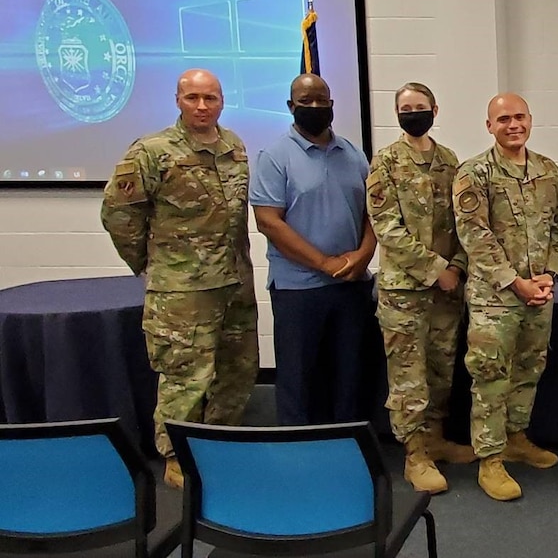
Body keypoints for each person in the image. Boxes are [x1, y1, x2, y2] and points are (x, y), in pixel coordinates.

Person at [101, 69, 258, 489]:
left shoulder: (234, 147)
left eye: (210, 98)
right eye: (193, 98)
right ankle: (176, 457)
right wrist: (152, 265)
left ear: (222, 100)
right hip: (182, 293)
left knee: (237, 371)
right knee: (185, 377)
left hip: (234, 284)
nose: (202, 106)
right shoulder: (151, 152)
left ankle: (221, 444)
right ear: (177, 100)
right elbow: (118, 214)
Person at [453, 93, 558, 501]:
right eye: (503, 119)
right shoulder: (474, 173)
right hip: (494, 299)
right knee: (490, 377)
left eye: (519, 117)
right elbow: (475, 237)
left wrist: (550, 275)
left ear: (530, 120)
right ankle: (490, 460)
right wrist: (514, 281)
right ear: (489, 126)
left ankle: (516, 439)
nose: (512, 124)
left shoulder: (548, 171)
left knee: (529, 368)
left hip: (538, 294)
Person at [366, 82, 477, 495]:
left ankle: (434, 439)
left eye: (420, 106)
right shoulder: (386, 162)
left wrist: (459, 267)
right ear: (397, 114)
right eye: (405, 108)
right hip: (405, 292)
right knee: (409, 378)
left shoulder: (450, 161)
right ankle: (415, 455)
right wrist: (436, 270)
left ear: (435, 109)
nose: (414, 113)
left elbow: (465, 223)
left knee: (440, 371)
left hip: (446, 292)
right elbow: (387, 228)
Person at [250, 73, 377, 426]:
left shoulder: (353, 154)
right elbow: (269, 222)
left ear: (332, 105)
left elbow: (374, 214)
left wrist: (363, 255)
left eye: (322, 100)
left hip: (351, 285)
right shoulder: (274, 157)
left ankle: (349, 447)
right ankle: (299, 454)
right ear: (291, 107)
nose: (315, 107)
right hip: (298, 289)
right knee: (298, 379)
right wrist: (323, 262)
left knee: (350, 376)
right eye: (306, 102)